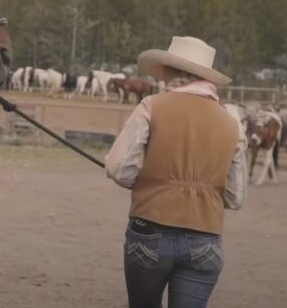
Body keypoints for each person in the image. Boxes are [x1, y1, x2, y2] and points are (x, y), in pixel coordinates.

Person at [105, 36, 248, 308]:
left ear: (172, 71)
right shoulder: (232, 125)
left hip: (150, 231)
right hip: (205, 238)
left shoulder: (152, 106)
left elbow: (119, 169)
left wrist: (146, 179)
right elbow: (235, 197)